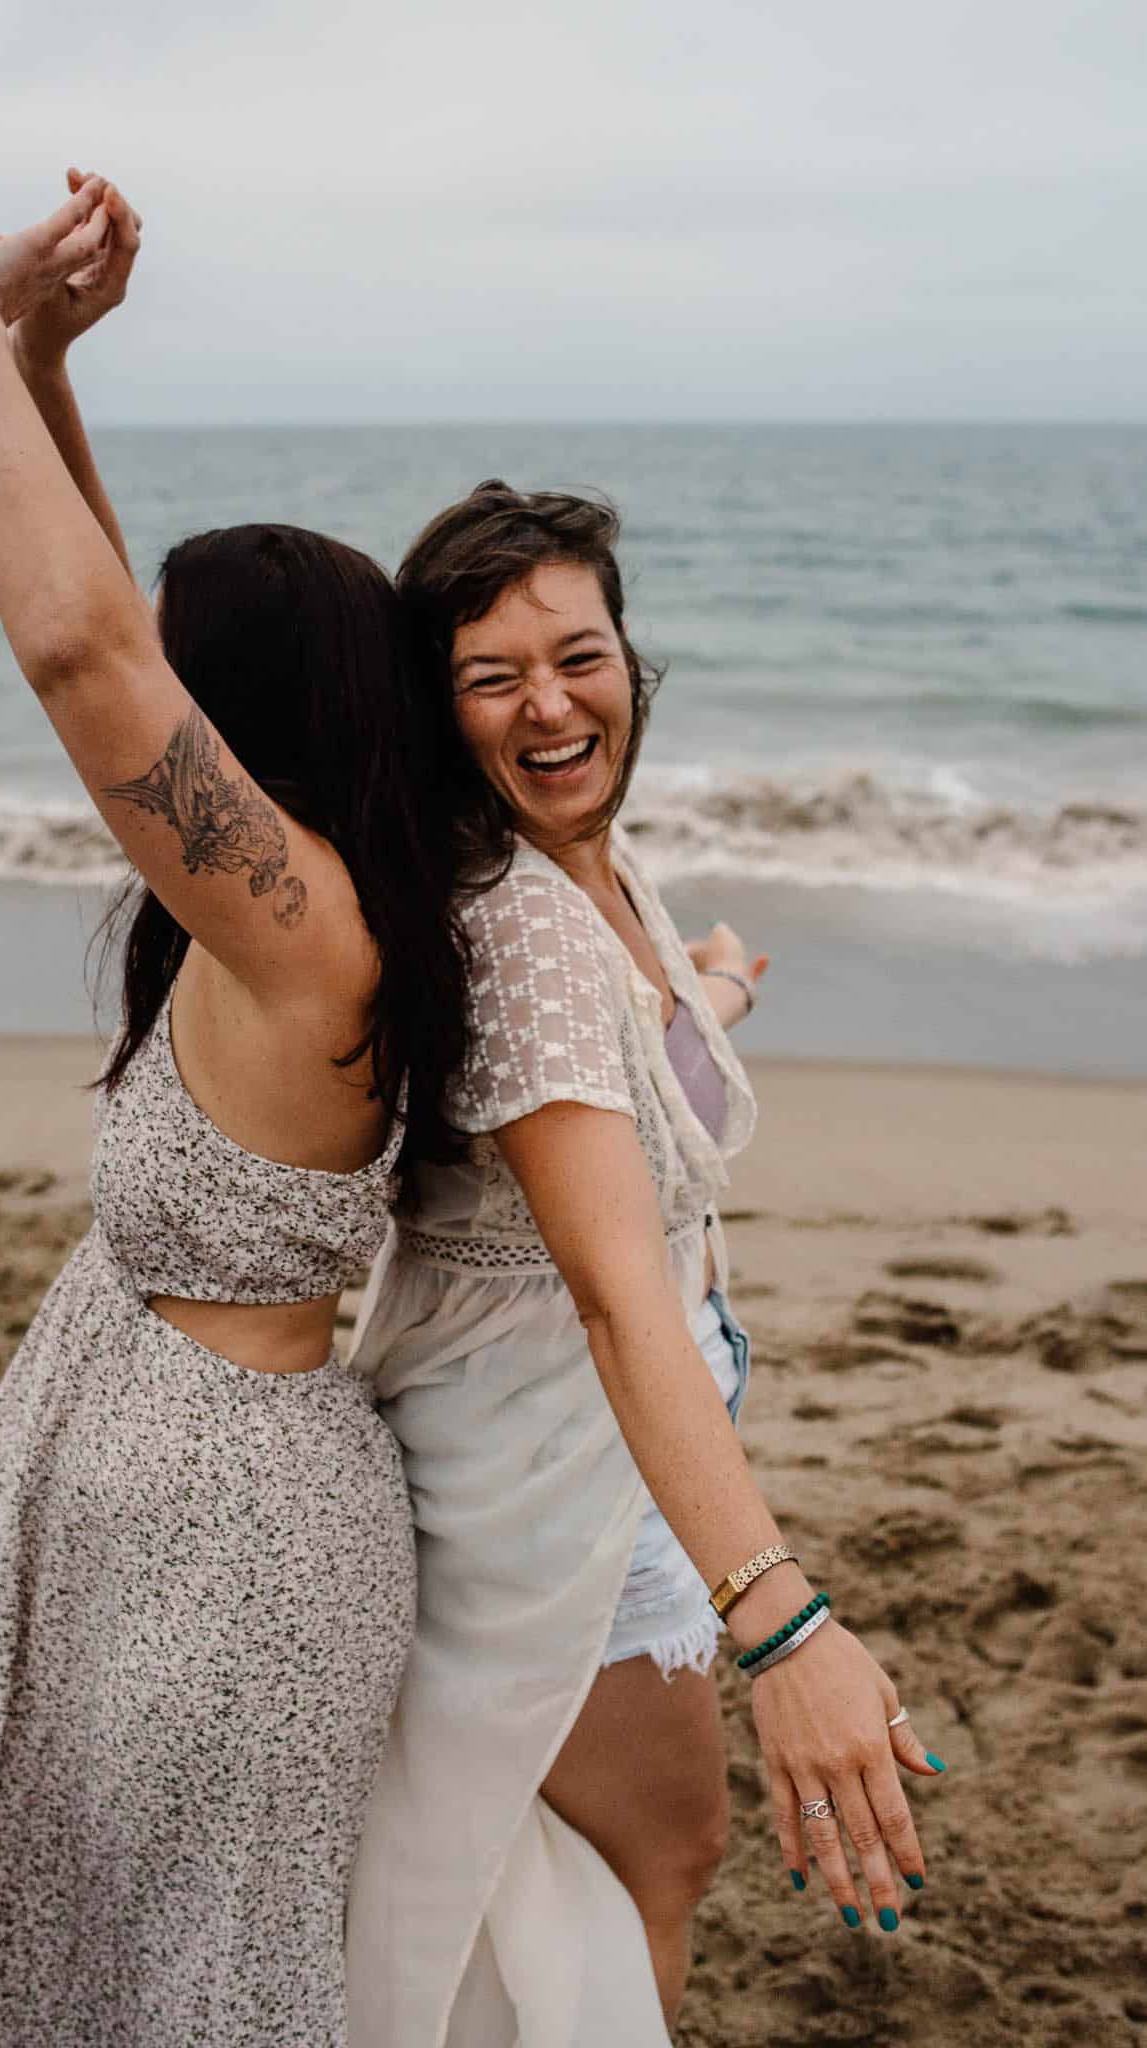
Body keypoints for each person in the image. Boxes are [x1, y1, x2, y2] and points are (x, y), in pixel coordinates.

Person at [0, 178, 474, 2048]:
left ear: (234, 715)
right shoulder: (285, 893)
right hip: (176, 1506)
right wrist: (56, 369)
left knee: (175, 1994)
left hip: (229, 1560)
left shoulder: (301, 937)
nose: (148, 679)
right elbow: (120, 631)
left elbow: (86, 655)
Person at [346, 482, 945, 2045]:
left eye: (581, 653)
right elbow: (617, 1287)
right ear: (439, 706)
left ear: (633, 662)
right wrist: (787, 1625)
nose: (550, 702)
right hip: (555, 1486)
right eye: (492, 677)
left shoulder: (588, 873)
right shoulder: (527, 923)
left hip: (602, 1453)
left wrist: (714, 994)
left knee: (577, 1875)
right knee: (650, 1861)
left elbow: (594, 1093)